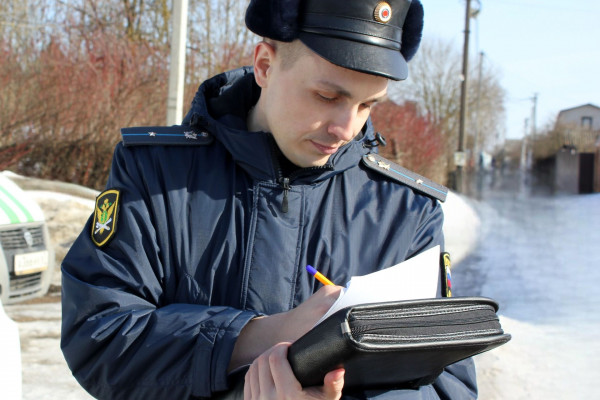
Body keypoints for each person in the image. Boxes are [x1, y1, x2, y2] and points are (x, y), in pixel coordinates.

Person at [61, 0, 477, 399]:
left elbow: (446, 385)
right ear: (264, 65)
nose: (346, 128)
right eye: (327, 97)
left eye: (367, 104)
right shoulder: (157, 173)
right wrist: (262, 336)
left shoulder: (406, 210)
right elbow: (98, 334)